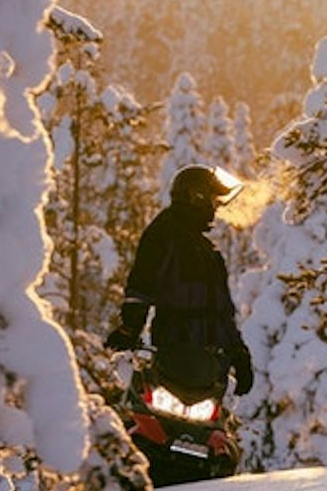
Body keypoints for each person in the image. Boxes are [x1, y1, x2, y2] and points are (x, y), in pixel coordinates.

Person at [105, 164, 254, 396]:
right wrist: (130, 327)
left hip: (210, 369)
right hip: (175, 357)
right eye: (213, 200)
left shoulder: (209, 252)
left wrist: (239, 353)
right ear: (196, 197)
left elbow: (222, 311)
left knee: (216, 431)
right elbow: (142, 283)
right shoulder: (164, 234)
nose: (215, 208)